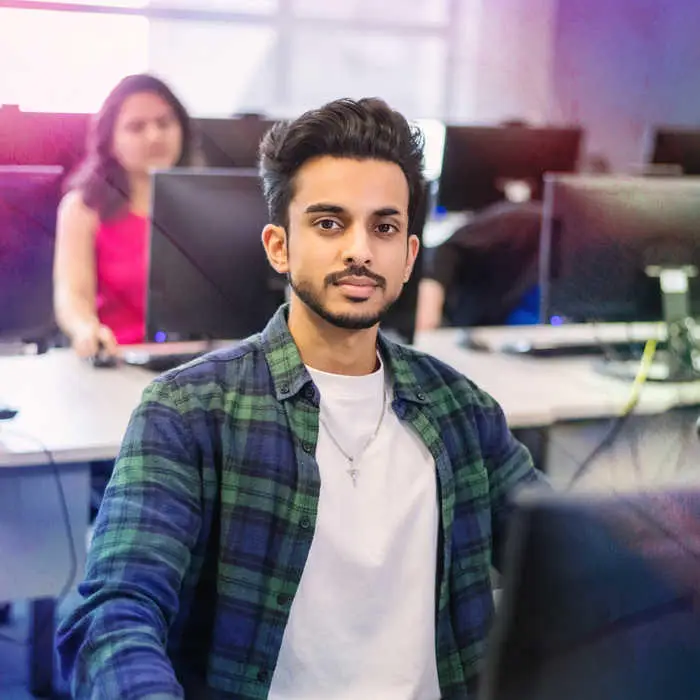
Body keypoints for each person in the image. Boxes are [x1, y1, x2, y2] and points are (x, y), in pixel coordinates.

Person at [56, 97, 546, 699]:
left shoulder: (463, 412)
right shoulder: (189, 412)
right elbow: (113, 616)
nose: (360, 250)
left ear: (409, 255)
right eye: (329, 223)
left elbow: (570, 559)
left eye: (385, 227)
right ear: (279, 246)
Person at [53, 73, 199, 358]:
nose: (154, 136)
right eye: (136, 127)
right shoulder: (82, 208)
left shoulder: (208, 205)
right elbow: (73, 296)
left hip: (197, 362)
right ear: (109, 140)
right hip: (116, 358)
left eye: (164, 122)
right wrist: (85, 329)